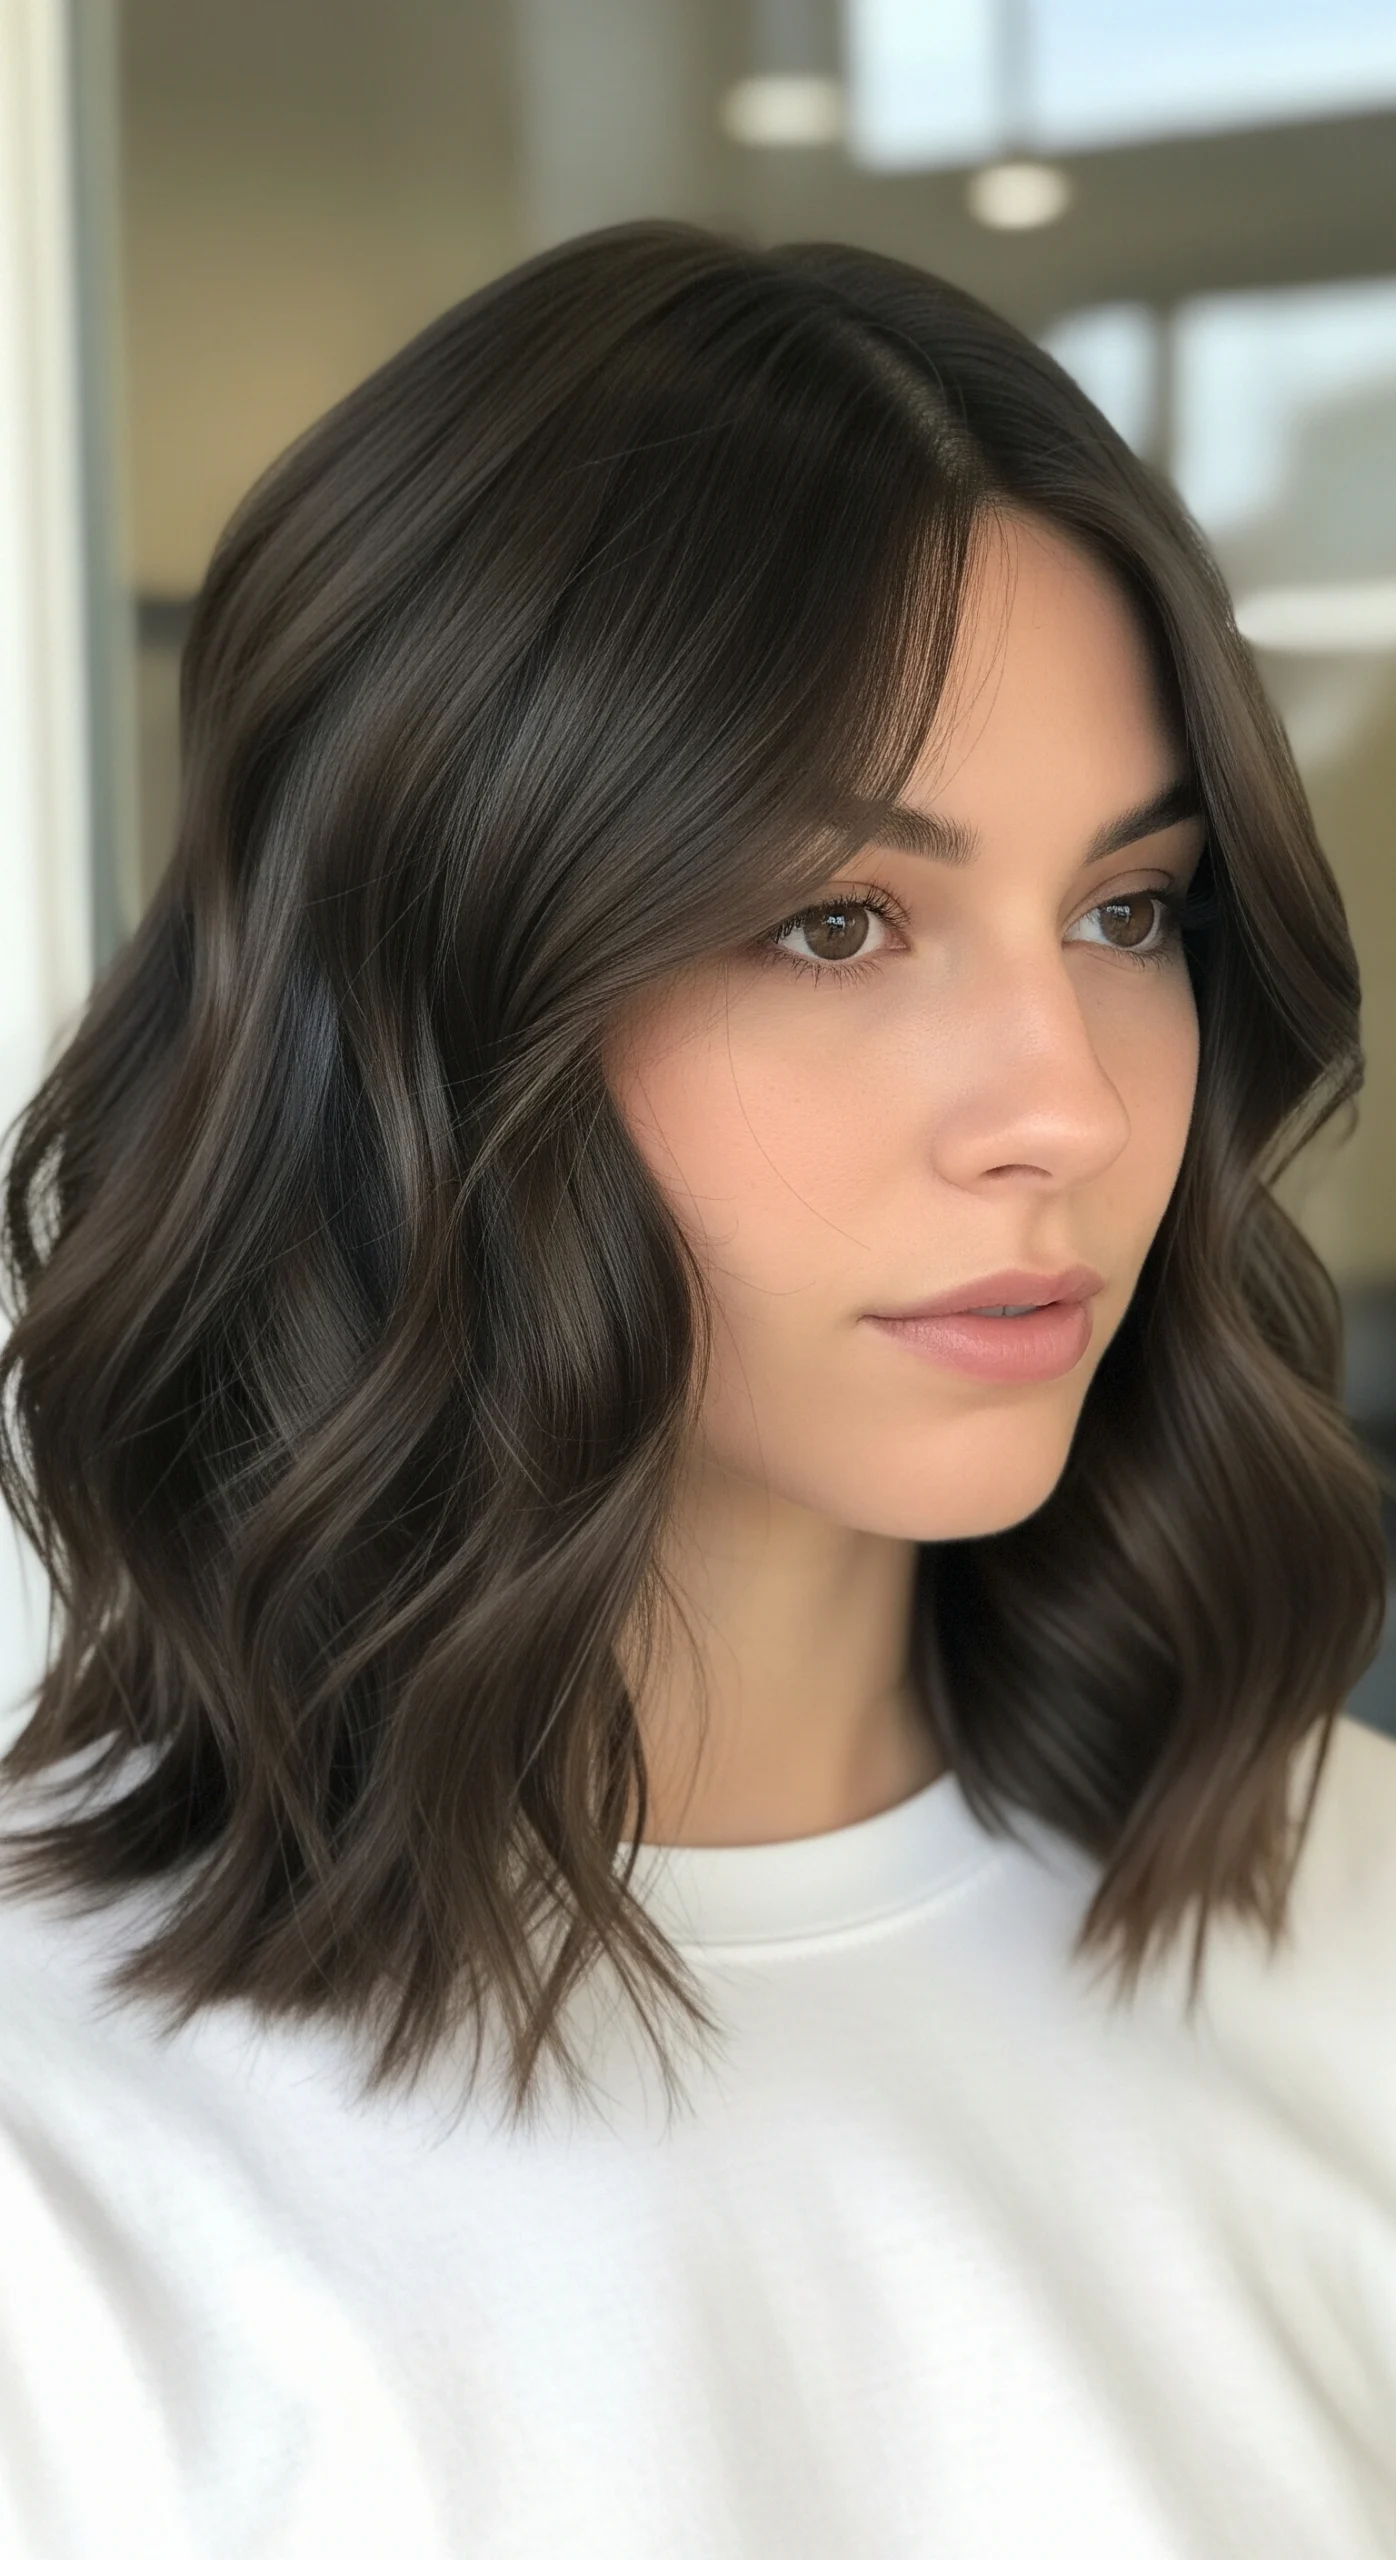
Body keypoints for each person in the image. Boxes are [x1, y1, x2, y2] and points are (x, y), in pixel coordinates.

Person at [0, 218, 1392, 2560]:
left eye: (1125, 911)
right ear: (431, 988)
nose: (1056, 1099)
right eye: (835, 920)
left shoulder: (1347, 1927)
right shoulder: (68, 2149)